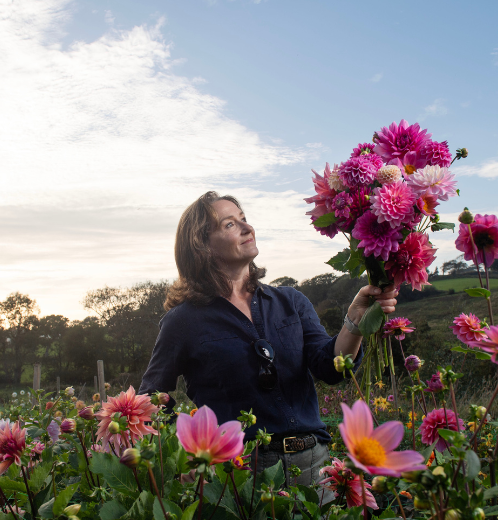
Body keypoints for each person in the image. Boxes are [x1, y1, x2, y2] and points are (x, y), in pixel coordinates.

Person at [139, 191, 397, 489]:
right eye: (229, 225)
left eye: (244, 219)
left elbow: (330, 368)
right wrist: (186, 449)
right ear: (201, 246)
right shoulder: (183, 321)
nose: (247, 228)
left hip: (315, 467)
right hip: (241, 477)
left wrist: (354, 322)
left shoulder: (292, 301)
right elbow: (150, 399)